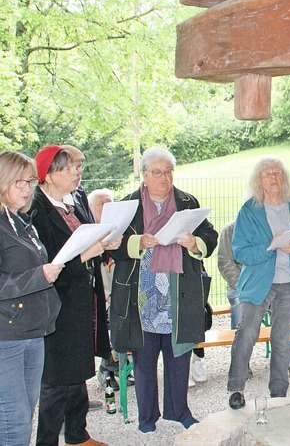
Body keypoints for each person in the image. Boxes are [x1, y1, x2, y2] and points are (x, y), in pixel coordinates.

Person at [108, 147, 217, 433]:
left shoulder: (186, 201)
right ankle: (147, 416)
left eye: (168, 172)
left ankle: (178, 410)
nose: (163, 178)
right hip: (140, 295)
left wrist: (195, 243)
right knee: (144, 360)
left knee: (179, 355)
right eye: (156, 172)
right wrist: (138, 243)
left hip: (178, 293)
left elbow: (210, 235)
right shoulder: (128, 204)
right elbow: (110, 244)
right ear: (144, 175)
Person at [31, 145, 113, 446]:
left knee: (78, 370)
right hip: (55, 303)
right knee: (55, 378)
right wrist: (84, 255)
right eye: (69, 168)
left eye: (78, 166)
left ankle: (78, 435)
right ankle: (47, 441)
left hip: (82, 297)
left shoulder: (75, 199)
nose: (77, 172)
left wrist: (103, 244)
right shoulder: (36, 209)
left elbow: (86, 234)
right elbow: (43, 264)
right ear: (49, 175)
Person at [227, 157, 290, 410]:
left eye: (277, 172)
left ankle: (279, 394)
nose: (273, 177)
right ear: (258, 180)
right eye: (267, 173)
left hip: (289, 283)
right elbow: (239, 252)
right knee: (247, 334)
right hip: (258, 283)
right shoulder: (250, 210)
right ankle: (236, 388)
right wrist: (269, 247)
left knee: (283, 340)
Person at [0, 151, 63, 445]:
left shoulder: (21, 221)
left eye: (29, 182)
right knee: (14, 420)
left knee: (25, 414)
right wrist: (40, 276)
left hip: (34, 330)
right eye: (18, 182)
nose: (26, 189)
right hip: (7, 335)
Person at [217, 220, 290, 382]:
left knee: (289, 303)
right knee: (240, 309)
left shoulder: (274, 230)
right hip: (242, 286)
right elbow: (225, 263)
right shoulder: (230, 231)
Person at [88, 188, 135, 392]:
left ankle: (120, 365)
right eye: (102, 204)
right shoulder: (87, 234)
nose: (108, 208)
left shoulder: (119, 233)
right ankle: (107, 367)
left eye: (110, 204)